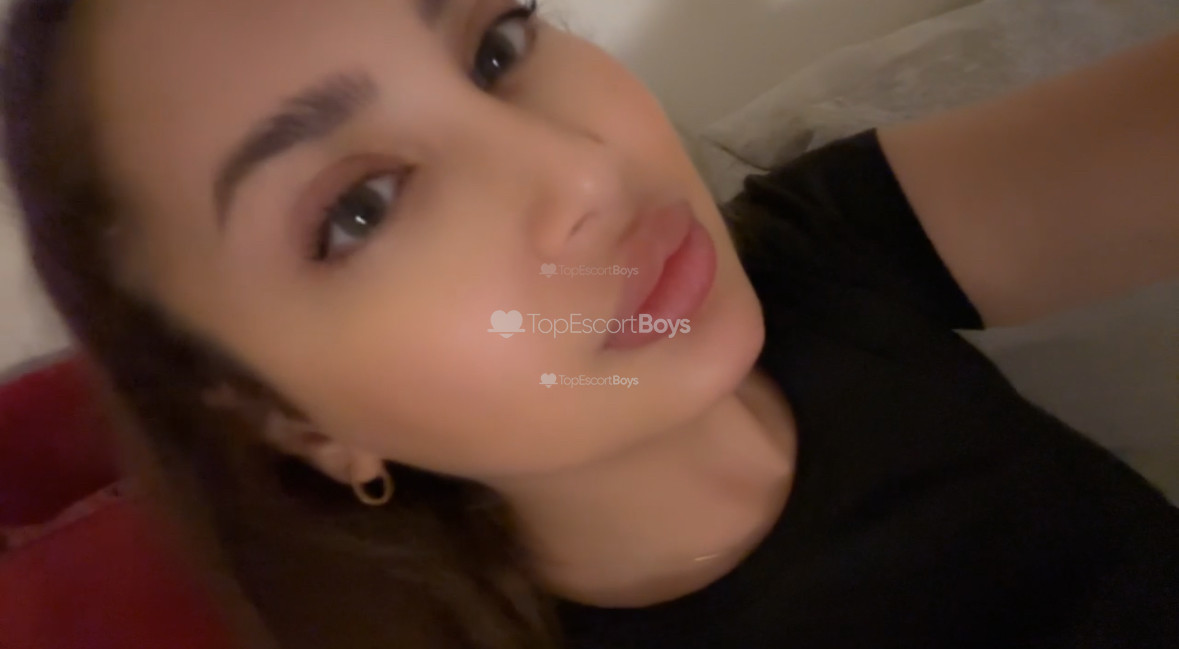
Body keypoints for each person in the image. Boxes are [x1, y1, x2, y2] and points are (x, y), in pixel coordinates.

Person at [2, 0, 1176, 647]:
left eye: (496, 47)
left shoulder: (818, 253)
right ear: (288, 419)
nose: (583, 171)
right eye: (362, 208)